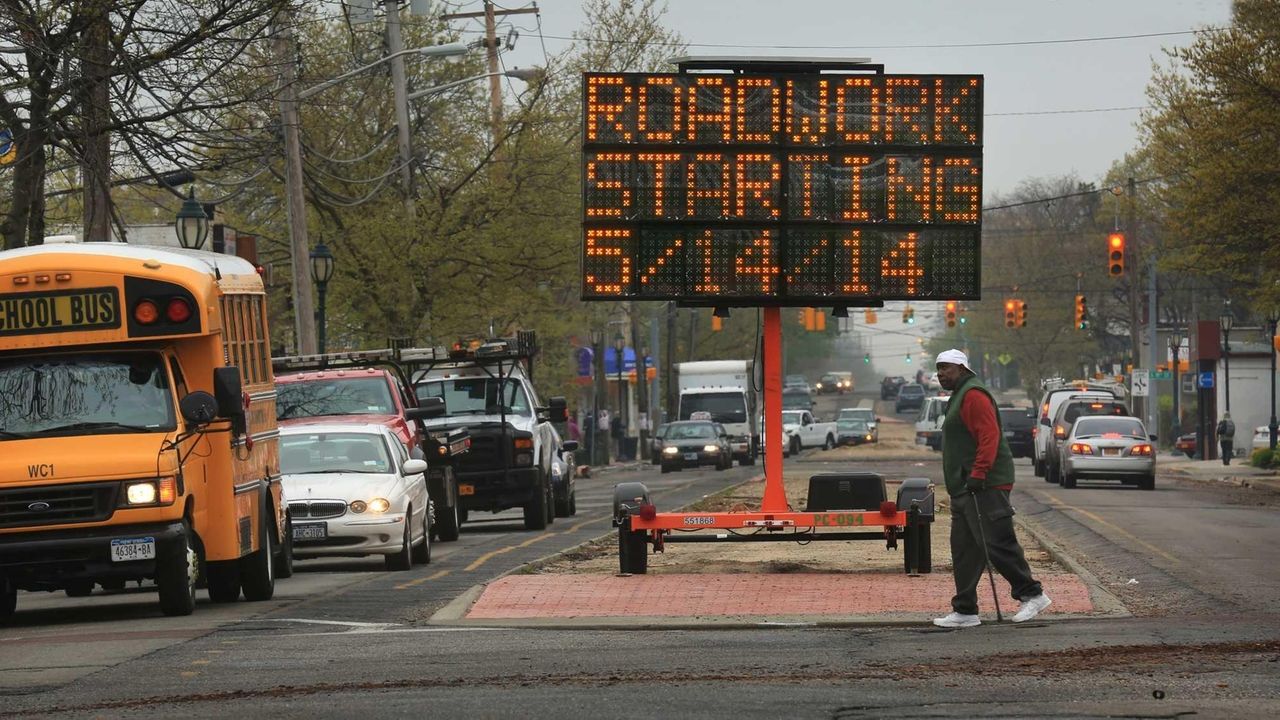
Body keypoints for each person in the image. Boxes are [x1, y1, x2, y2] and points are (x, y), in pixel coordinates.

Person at [932, 349, 1051, 628]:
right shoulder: (958, 396)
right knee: (964, 549)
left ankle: (1032, 594)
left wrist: (979, 472)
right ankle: (965, 611)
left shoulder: (974, 395)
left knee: (997, 542)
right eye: (938, 369)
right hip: (965, 487)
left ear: (961, 369)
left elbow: (989, 436)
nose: (940, 374)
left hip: (985, 484)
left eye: (946, 368)